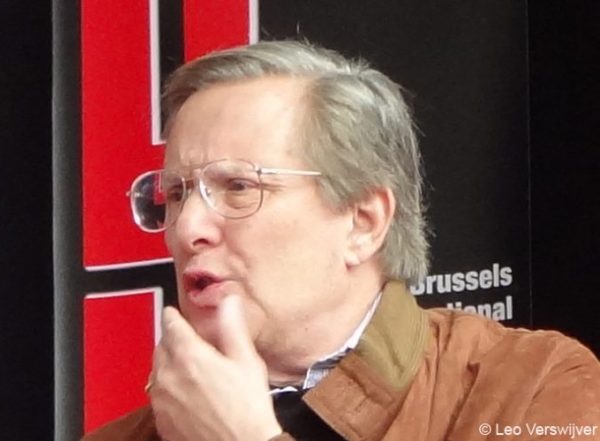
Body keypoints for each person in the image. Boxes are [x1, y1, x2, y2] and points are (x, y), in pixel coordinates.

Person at [84, 40, 600, 441]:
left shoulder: (533, 385)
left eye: (239, 187)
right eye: (177, 193)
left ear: (364, 222)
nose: (186, 227)